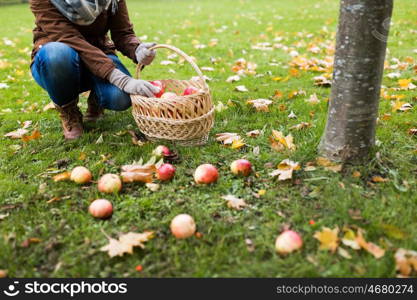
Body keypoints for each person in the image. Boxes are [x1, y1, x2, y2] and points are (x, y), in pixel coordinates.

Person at [29, 0, 160, 139]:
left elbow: (123, 33)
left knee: (120, 98)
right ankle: (69, 111)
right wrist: (120, 79)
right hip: (57, 61)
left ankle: (97, 99)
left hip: (100, 53)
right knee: (57, 53)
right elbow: (68, 38)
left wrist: (137, 49)